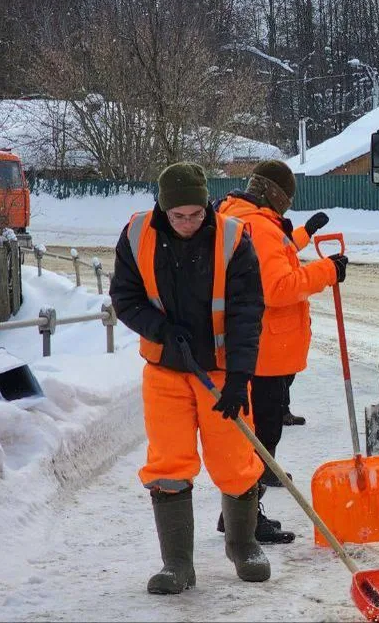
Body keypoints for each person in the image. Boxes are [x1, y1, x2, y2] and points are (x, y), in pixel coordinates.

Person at [109, 162, 271, 594]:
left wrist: (239, 376)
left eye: (195, 215)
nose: (186, 224)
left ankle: (243, 543)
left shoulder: (234, 239)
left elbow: (246, 312)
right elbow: (124, 297)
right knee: (168, 462)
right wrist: (160, 329)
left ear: (206, 208)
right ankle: (177, 563)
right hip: (165, 370)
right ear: (163, 210)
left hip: (217, 372)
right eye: (178, 216)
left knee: (234, 459)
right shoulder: (136, 234)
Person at [215, 161, 346, 515]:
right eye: (287, 197)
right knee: (262, 433)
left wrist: (305, 232)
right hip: (264, 348)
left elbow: (279, 251)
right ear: (275, 194)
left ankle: (252, 494)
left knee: (258, 432)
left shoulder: (240, 215)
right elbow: (277, 286)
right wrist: (328, 270)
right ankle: (244, 518)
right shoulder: (258, 225)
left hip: (255, 346)